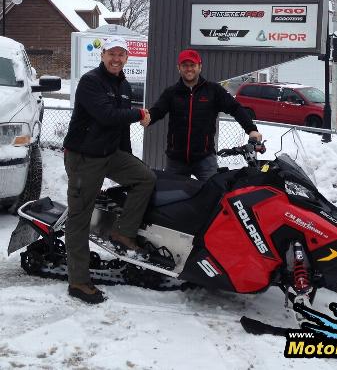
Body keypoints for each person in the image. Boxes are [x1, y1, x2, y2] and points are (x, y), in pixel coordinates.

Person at [63, 36, 155, 304]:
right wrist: (139, 114)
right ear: (102, 55)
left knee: (145, 177)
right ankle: (78, 282)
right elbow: (105, 116)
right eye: (111, 54)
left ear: (127, 58)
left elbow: (120, 126)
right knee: (80, 217)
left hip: (109, 153)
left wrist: (127, 157)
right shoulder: (91, 82)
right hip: (84, 157)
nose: (116, 59)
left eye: (121, 55)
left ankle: (122, 232)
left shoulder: (123, 85)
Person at [144, 49, 262, 181]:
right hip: (176, 160)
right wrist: (149, 117)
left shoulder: (213, 90)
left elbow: (235, 108)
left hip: (205, 159)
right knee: (173, 199)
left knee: (213, 197)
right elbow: (158, 110)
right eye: (185, 65)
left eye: (192, 65)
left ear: (200, 67)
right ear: (179, 68)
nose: (189, 69)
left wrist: (251, 129)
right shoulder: (172, 92)